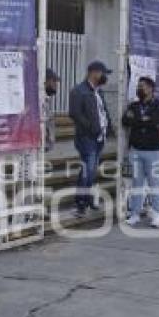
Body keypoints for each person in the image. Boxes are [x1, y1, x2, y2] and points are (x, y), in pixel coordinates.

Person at [68, 60, 114, 217]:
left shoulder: (98, 91)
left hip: (98, 138)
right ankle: (81, 203)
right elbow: (74, 114)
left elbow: (103, 111)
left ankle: (86, 200)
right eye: (102, 73)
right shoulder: (79, 91)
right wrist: (91, 127)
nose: (104, 76)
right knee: (88, 171)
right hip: (86, 138)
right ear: (93, 72)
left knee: (91, 171)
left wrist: (108, 129)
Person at [122, 76, 159, 228]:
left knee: (155, 184)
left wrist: (138, 120)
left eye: (143, 86)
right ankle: (134, 214)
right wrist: (144, 120)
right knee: (136, 184)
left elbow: (155, 121)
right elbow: (125, 121)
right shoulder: (133, 105)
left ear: (151, 89)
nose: (140, 89)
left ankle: (156, 215)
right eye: (139, 86)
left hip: (153, 151)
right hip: (136, 150)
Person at [43, 68, 60, 152]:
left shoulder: (46, 99)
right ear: (45, 81)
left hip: (45, 146)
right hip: (40, 146)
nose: (56, 84)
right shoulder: (39, 100)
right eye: (54, 81)